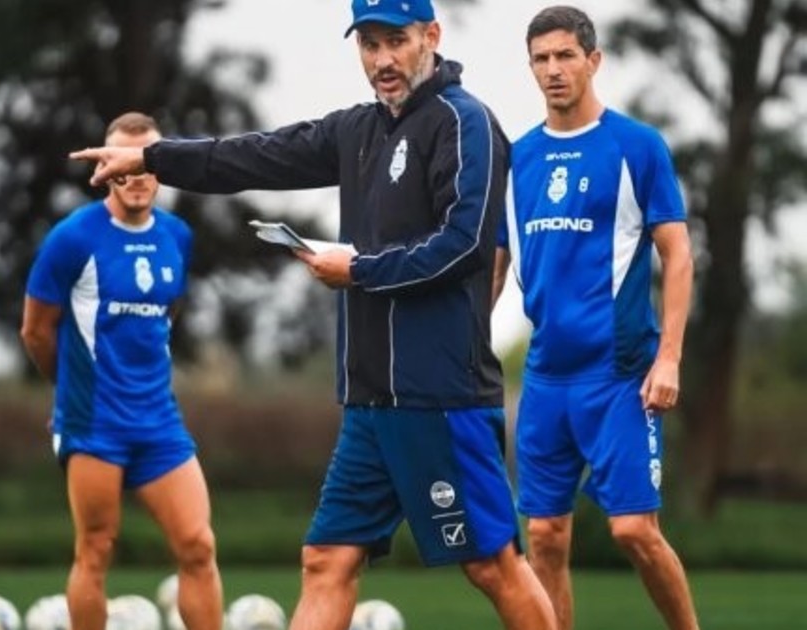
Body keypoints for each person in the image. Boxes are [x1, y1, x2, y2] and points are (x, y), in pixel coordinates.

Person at [69, 3, 556, 629]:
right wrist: (155, 158)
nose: (381, 59)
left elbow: (464, 246)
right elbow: (257, 155)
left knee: (492, 564)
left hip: (440, 399)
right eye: (369, 44)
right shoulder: (357, 130)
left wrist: (358, 269)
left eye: (396, 41)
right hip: (367, 404)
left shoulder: (466, 124)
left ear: (431, 37)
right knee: (326, 560)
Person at [491, 6, 699, 630]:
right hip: (546, 380)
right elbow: (496, 265)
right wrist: (465, 345)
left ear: (593, 60)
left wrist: (669, 357)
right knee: (544, 536)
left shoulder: (637, 146)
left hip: (620, 376)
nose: (553, 69)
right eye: (541, 59)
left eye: (565, 56)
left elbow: (678, 254)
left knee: (634, 529)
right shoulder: (517, 159)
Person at [21, 112, 223, 630]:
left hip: (159, 422)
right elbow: (36, 332)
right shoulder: (73, 238)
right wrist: (70, 390)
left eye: (145, 165)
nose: (135, 178)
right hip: (93, 424)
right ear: (105, 169)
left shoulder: (177, 236)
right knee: (95, 548)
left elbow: (169, 311)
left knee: (198, 545)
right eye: (123, 167)